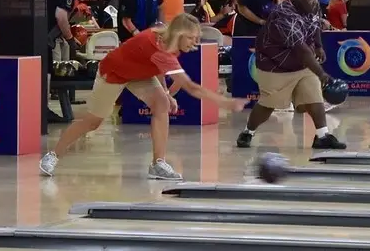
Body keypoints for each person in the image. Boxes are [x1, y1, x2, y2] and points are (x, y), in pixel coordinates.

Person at [40, 14, 247, 179]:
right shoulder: (158, 48)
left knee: (161, 104)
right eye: (192, 38)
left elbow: (158, 68)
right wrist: (225, 102)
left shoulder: (167, 41)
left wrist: (165, 94)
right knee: (92, 122)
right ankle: (52, 155)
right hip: (113, 74)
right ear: (179, 34)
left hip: (139, 74)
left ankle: (158, 164)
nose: (194, 43)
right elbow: (191, 88)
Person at [236, 0, 346, 150]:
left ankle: (322, 136)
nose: (315, 2)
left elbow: (315, 24)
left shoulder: (312, 5)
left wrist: (318, 46)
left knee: (314, 97)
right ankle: (248, 132)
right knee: (268, 105)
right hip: (274, 64)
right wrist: (322, 74)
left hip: (301, 64)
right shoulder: (284, 14)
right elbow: (301, 50)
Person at [46, 0, 94, 123]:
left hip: (47, 33)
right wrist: (70, 39)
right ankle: (42, 110)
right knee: (44, 72)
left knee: (46, 70)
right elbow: (60, 15)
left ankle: (42, 109)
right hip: (43, 33)